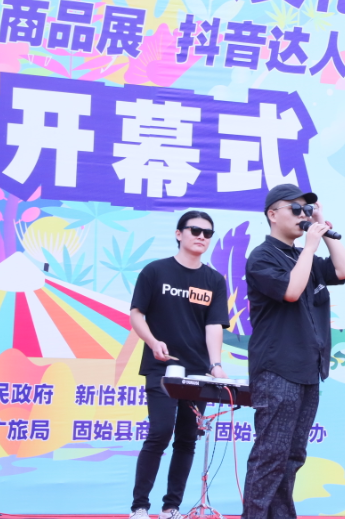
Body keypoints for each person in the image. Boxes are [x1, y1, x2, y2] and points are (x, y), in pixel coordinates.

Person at [242, 184, 345, 519]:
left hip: (308, 370)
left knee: (292, 456)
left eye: (306, 209)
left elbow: (344, 270)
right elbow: (291, 291)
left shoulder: (305, 257)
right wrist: (309, 247)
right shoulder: (262, 257)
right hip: (277, 369)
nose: (302, 215)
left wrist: (323, 225)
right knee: (271, 455)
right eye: (295, 209)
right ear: (272, 215)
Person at [128, 211, 230, 519]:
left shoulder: (214, 280)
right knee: (160, 432)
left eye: (207, 233)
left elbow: (214, 326)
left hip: (198, 371)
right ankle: (139, 507)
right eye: (195, 230)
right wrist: (152, 341)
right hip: (162, 368)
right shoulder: (155, 271)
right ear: (178, 233)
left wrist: (215, 364)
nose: (201, 236)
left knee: (187, 439)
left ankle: (171, 507)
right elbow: (136, 314)